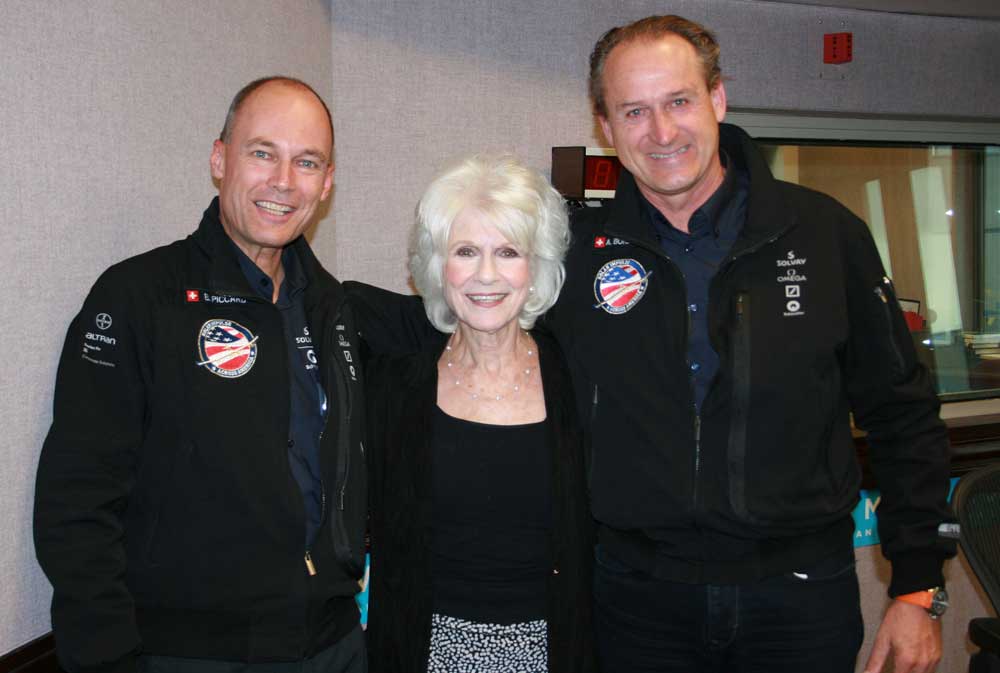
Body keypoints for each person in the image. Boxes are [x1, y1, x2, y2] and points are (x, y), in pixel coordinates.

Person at [541, 14, 954, 673]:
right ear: (606, 126)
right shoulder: (572, 258)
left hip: (799, 599)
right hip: (635, 600)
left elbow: (903, 414)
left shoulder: (823, 233)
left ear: (718, 99)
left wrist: (916, 585)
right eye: (635, 111)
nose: (662, 131)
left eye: (679, 101)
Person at [34, 77, 367, 673]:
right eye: (262, 153)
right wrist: (104, 653)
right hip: (191, 652)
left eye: (307, 161)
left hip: (332, 643)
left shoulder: (332, 307)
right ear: (219, 159)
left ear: (328, 181)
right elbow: (77, 497)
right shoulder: (140, 297)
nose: (284, 181)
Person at [361, 155, 595, 673]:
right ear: (437, 267)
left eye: (508, 251)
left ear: (536, 270)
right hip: (423, 650)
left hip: (552, 650)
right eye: (465, 251)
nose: (486, 275)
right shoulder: (392, 386)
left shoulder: (580, 381)